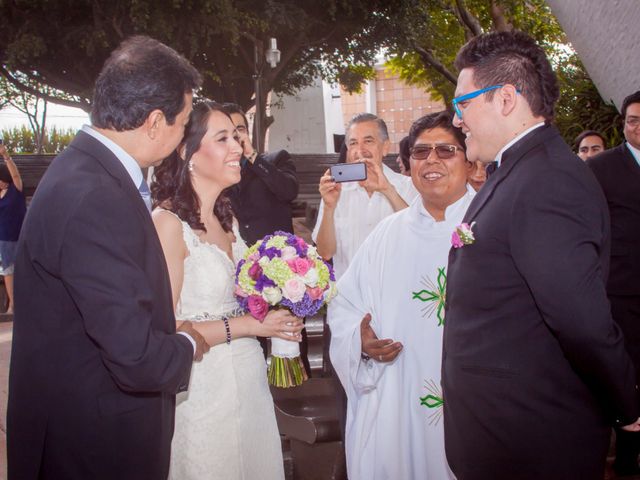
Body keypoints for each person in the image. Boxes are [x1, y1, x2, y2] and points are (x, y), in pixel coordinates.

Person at [7, 36, 210, 480]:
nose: (182, 135)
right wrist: (191, 343)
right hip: (91, 445)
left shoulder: (84, 170)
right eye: (183, 121)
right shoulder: (94, 194)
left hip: (83, 425)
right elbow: (135, 356)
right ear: (156, 121)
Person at [442, 30, 640, 480]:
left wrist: (625, 401)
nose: (457, 120)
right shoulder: (515, 171)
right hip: (502, 433)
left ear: (506, 98)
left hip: (531, 440)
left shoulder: (549, 180)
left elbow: (579, 318)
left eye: (463, 103)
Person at [151, 100, 303, 480]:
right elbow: (165, 330)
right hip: (201, 387)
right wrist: (252, 327)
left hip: (249, 378)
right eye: (223, 138)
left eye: (237, 137)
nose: (238, 147)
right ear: (187, 152)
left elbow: (242, 301)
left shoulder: (227, 219)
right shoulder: (167, 224)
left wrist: (275, 309)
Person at [329, 110, 473, 479]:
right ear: (408, 163)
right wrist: (358, 339)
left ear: (469, 160)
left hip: (474, 399)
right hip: (397, 392)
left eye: (446, 150)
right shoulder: (387, 234)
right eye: (421, 152)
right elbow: (345, 302)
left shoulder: (490, 225)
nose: (431, 161)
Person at [587, 90, 640, 477]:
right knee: (628, 379)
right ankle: (624, 459)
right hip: (622, 294)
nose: (638, 126)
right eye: (633, 119)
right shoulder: (601, 167)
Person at [312, 113, 417, 279]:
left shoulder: (408, 187)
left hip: (395, 293)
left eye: (368, 141)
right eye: (353, 143)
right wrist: (329, 208)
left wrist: (387, 190)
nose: (360, 150)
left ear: (385, 147)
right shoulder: (335, 191)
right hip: (347, 298)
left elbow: (417, 237)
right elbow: (325, 253)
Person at [222, 103, 299, 245]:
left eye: (240, 129)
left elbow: (289, 191)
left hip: (278, 257)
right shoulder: (218, 171)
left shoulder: (277, 159)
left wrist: (252, 157)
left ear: (247, 131)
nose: (236, 136)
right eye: (228, 132)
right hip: (239, 258)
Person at [0, 143, 26, 313]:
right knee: (8, 271)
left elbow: (15, 173)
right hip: (4, 239)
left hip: (21, 236)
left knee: (23, 270)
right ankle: (12, 305)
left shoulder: (16, 190)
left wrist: (5, 155)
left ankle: (22, 304)